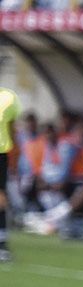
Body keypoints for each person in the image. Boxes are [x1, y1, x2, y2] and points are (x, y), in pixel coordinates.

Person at [0, 87, 20, 262]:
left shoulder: (8, 98)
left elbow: (13, 130)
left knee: (1, 198)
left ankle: (2, 241)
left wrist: (14, 161)